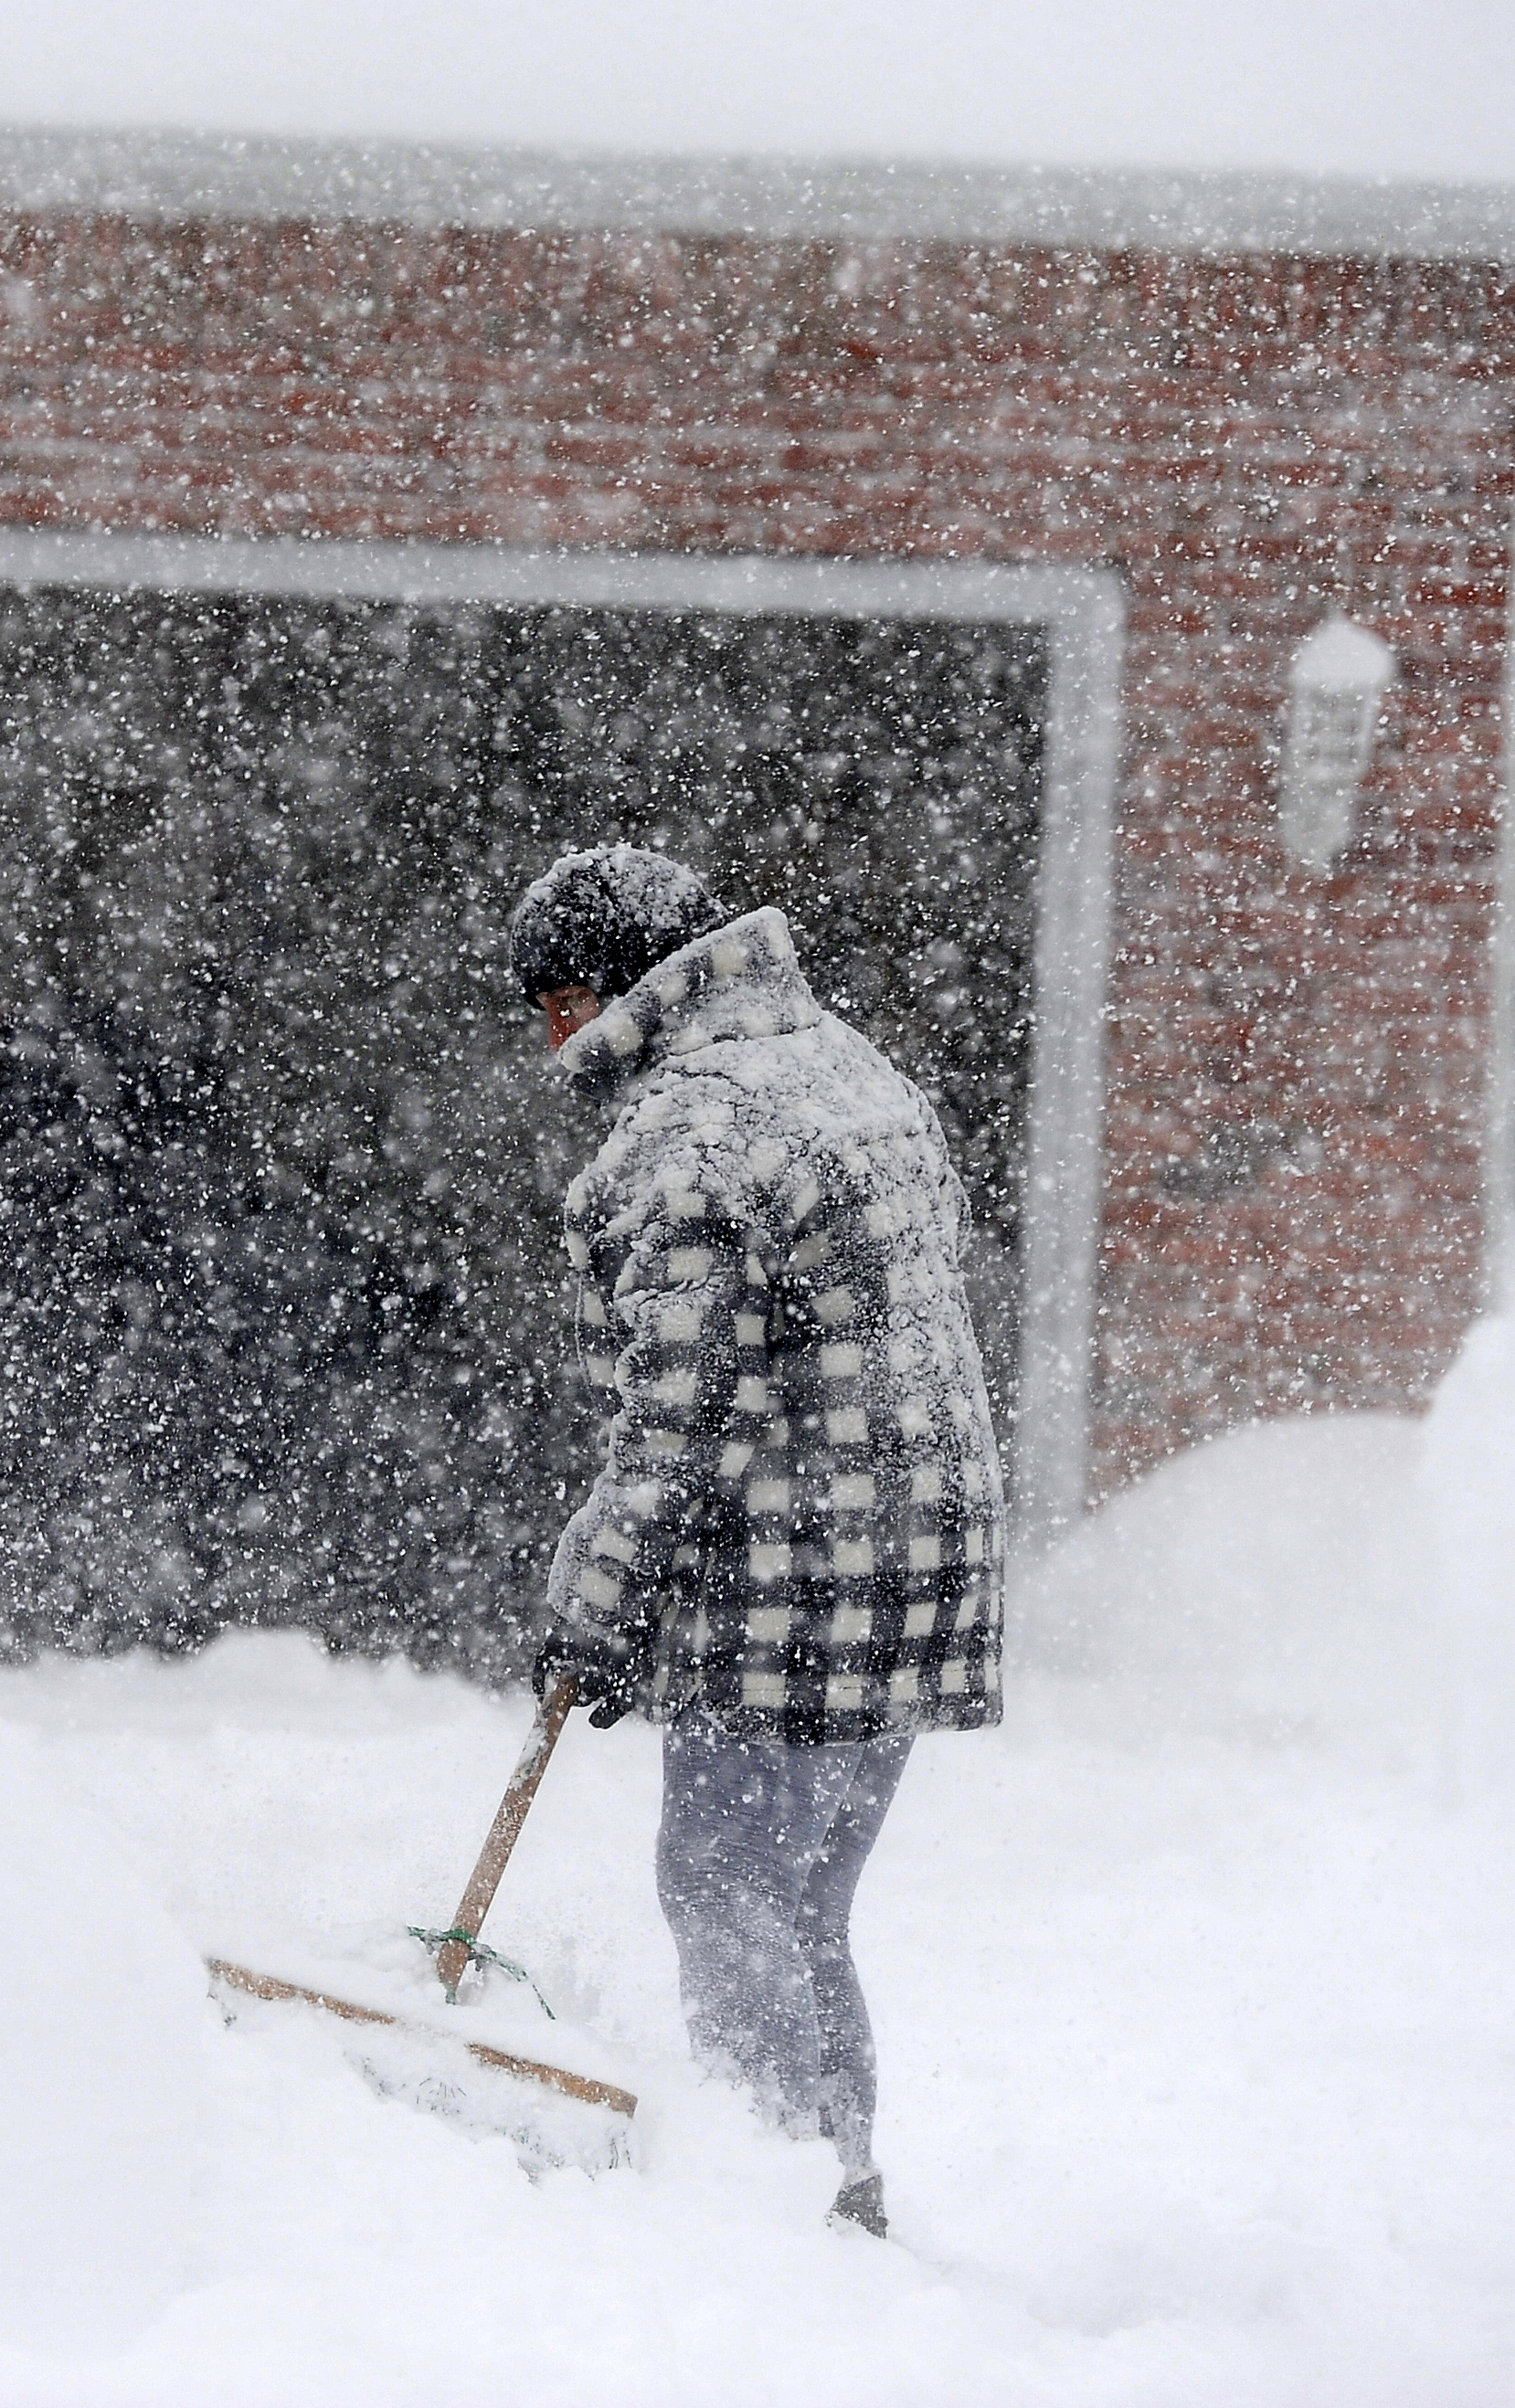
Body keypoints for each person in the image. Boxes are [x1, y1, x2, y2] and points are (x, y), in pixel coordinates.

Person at [506, 844, 1006, 2237]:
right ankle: (839, 2186)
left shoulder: (696, 1135)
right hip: (921, 1552)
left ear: (608, 988)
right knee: (802, 1904)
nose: (554, 1040)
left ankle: (780, 2216)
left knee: (725, 1888)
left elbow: (679, 1418)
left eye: (555, 1002)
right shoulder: (846, 1067)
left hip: (800, 1569)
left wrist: (596, 1605)